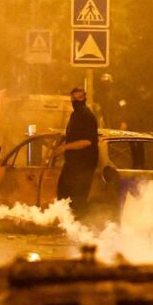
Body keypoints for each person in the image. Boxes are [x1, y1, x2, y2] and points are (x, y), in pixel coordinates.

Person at [54, 87, 100, 217]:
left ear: (84, 98)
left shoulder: (88, 116)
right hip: (72, 163)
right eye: (73, 99)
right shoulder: (74, 115)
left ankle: (80, 226)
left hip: (84, 165)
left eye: (78, 98)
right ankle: (68, 225)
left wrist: (65, 147)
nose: (75, 101)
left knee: (78, 200)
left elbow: (87, 141)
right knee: (63, 195)